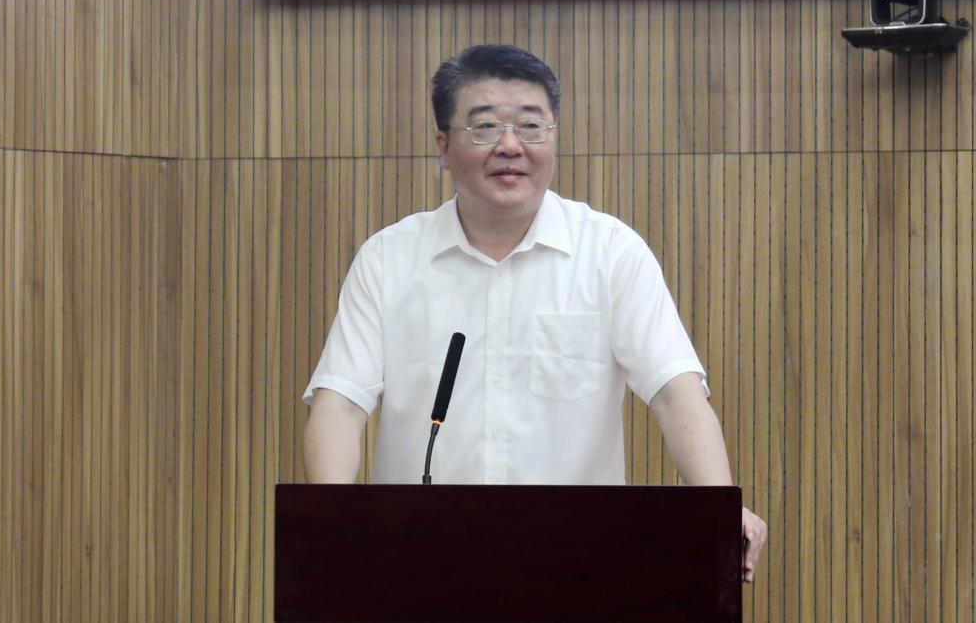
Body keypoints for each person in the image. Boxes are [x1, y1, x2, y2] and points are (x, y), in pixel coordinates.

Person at [302, 44, 767, 582]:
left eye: (530, 126)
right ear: (444, 147)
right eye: (484, 127)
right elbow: (340, 405)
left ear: (554, 138)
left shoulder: (609, 252)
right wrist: (332, 524)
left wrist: (716, 508)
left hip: (578, 563)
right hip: (419, 561)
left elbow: (675, 393)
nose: (510, 146)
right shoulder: (389, 258)